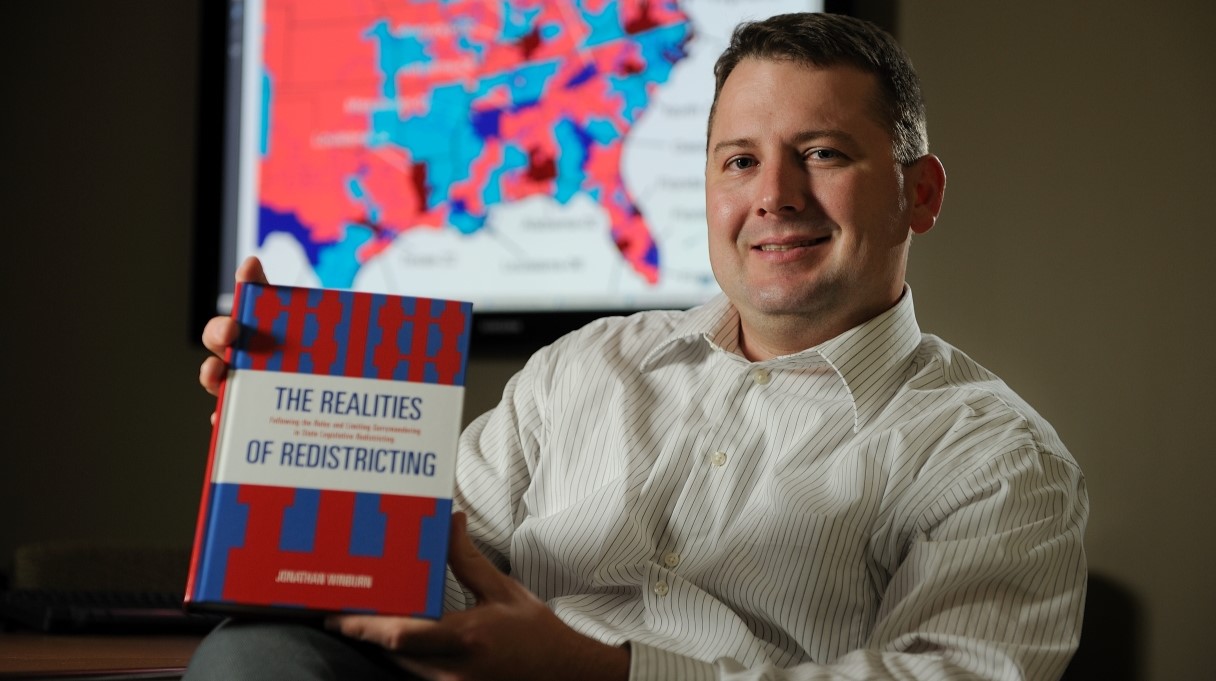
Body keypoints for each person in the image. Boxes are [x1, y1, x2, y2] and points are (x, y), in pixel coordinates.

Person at [188, 12, 1087, 681]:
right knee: (257, 654)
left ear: (919, 194)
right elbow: (435, 575)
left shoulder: (998, 460)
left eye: (819, 153)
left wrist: (605, 672)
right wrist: (292, 433)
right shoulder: (582, 370)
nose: (772, 195)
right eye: (739, 160)